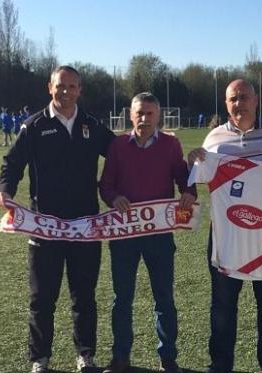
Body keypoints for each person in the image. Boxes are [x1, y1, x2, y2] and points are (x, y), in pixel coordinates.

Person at [0, 65, 115, 373]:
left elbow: (123, 152)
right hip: (45, 227)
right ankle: (39, 360)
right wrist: (5, 191)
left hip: (86, 227)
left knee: (84, 297)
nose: (66, 91)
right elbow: (12, 163)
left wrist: (155, 138)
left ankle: (85, 356)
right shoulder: (33, 126)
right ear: (50, 87)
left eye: (72, 86)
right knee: (42, 299)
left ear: (80, 90)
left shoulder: (91, 125)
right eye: (61, 86)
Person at [187, 79, 262, 373]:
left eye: (244, 97)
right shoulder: (214, 139)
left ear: (256, 99)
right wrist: (193, 162)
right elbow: (197, 178)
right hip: (226, 236)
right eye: (233, 99)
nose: (239, 103)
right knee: (222, 307)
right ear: (226, 104)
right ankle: (220, 365)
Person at [99, 92, 196, 373]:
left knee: (164, 298)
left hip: (159, 235)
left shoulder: (170, 144)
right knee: (122, 299)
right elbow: (105, 185)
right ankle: (120, 358)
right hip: (124, 236)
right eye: (139, 113)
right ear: (130, 115)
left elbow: (182, 177)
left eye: (150, 114)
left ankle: (168, 359)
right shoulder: (118, 145)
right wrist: (114, 197)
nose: (144, 118)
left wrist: (188, 192)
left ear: (158, 116)